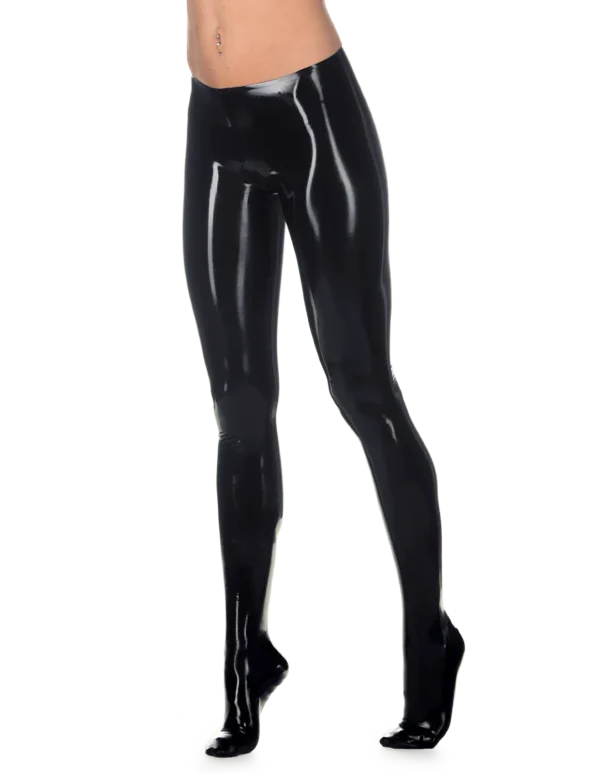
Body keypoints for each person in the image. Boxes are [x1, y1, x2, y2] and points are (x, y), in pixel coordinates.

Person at [183, 0, 465, 758]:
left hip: (313, 117)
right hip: (215, 124)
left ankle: (429, 642)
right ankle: (244, 661)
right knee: (239, 407)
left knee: (363, 387)